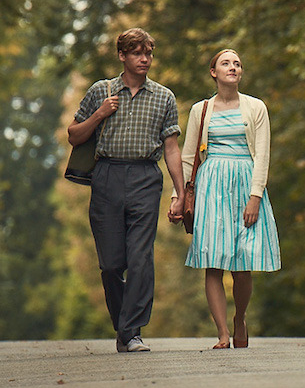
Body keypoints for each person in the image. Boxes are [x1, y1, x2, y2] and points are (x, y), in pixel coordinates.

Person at [68, 28, 184, 353]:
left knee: (141, 255)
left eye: (148, 53)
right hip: (107, 177)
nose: (144, 59)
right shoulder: (100, 91)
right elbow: (74, 135)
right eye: (137, 53)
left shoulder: (164, 97)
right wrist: (100, 113)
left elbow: (172, 147)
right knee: (110, 263)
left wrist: (181, 192)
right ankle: (123, 325)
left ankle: (132, 331)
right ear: (122, 56)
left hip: (146, 177)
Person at [173, 49, 280, 349]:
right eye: (226, 63)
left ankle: (239, 317)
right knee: (213, 262)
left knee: (242, 264)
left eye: (237, 64)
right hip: (211, 187)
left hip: (245, 184)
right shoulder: (201, 110)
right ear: (213, 72)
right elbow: (188, 157)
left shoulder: (256, 107)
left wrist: (255, 196)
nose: (232, 67)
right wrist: (177, 197)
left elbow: (263, 155)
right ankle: (222, 333)